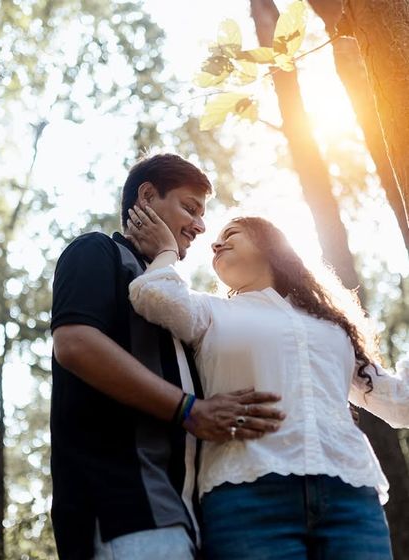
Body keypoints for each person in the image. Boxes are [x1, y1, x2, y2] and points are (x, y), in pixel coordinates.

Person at [127, 207, 409, 560]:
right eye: (215, 241)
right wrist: (167, 251)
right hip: (247, 494)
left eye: (230, 234)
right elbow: (150, 293)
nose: (216, 244)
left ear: (271, 244)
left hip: (350, 494)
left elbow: (401, 405)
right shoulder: (211, 312)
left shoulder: (334, 328)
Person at [50, 153, 284, 560]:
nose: (200, 225)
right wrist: (190, 410)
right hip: (123, 507)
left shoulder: (173, 297)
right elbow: (74, 343)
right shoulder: (98, 251)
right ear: (146, 196)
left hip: (186, 517)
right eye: (189, 208)